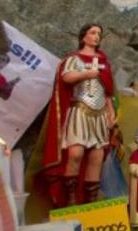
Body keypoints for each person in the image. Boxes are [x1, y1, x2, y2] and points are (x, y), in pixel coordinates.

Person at [40, 23, 116, 207]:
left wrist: (111, 112)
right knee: (75, 154)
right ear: (84, 36)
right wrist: (86, 74)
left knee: (96, 157)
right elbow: (66, 77)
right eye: (93, 32)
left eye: (99, 33)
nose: (96, 36)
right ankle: (71, 201)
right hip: (79, 109)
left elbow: (107, 91)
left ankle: (90, 203)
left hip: (100, 113)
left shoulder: (104, 62)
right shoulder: (74, 59)